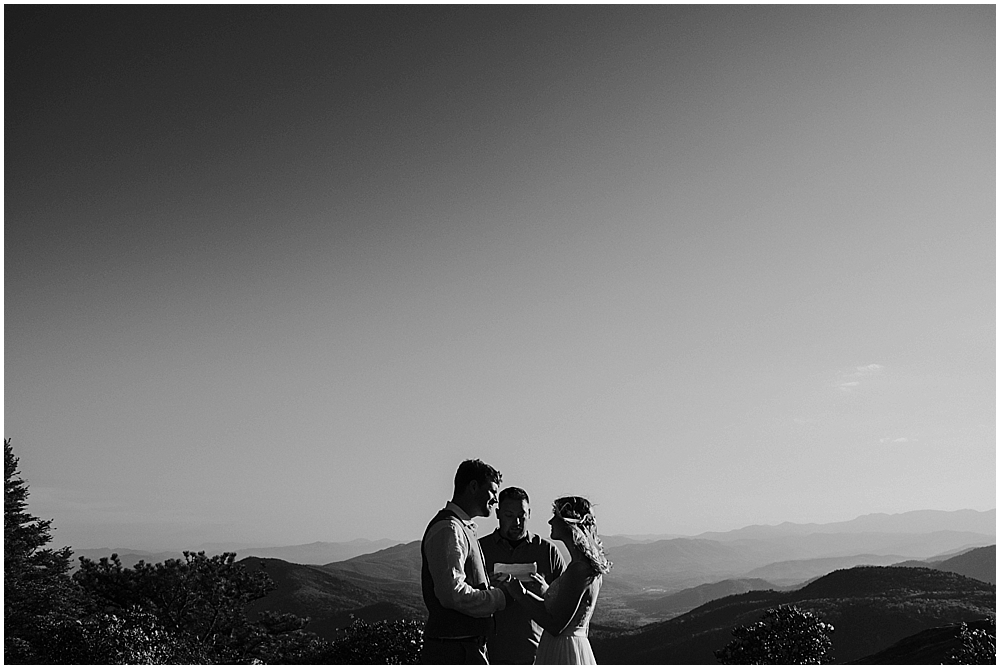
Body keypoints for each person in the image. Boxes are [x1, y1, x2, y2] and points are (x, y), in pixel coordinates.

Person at [500, 496, 612, 665]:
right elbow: (561, 611)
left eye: (555, 516)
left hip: (564, 651)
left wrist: (521, 594)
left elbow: (555, 625)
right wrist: (545, 591)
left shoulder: (579, 570)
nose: (550, 521)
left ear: (569, 523)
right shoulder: (580, 566)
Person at [420, 459, 511, 664]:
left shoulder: (460, 527)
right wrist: (499, 597)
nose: (495, 500)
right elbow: (452, 594)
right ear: (473, 486)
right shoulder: (449, 529)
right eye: (492, 491)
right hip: (454, 652)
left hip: (463, 648)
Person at [479, 487, 567, 664]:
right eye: (509, 515)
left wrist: (546, 591)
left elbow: (565, 608)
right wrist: (485, 587)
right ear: (498, 514)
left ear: (530, 514)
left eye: (522, 515)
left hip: (536, 654)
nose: (517, 521)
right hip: (488, 654)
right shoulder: (480, 549)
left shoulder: (548, 552)